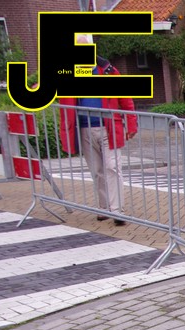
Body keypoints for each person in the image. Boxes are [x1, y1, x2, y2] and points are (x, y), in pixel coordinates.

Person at [58, 36, 137, 226]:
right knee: (97, 170)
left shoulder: (108, 71)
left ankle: (117, 211)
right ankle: (104, 207)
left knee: (112, 167)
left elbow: (125, 97)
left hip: (108, 127)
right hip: (84, 127)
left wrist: (131, 123)